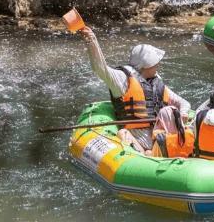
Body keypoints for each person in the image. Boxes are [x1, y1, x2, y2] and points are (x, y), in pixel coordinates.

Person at [79, 27, 192, 156]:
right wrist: (92, 41)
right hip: (138, 141)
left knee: (169, 116)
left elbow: (184, 103)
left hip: (161, 140)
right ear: (146, 64)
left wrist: (183, 112)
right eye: (155, 62)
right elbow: (100, 69)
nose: (158, 65)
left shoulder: (156, 81)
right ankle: (146, 156)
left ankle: (157, 152)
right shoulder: (122, 79)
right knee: (123, 134)